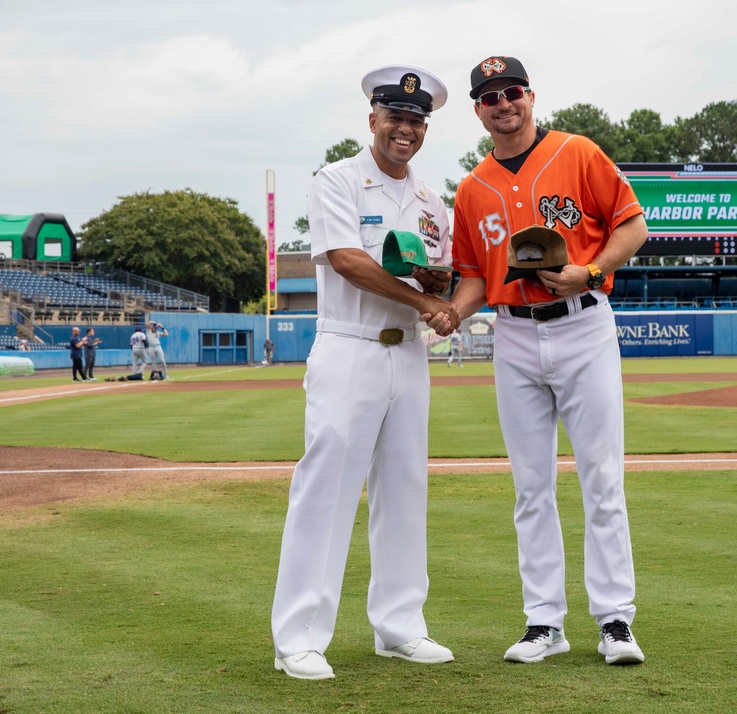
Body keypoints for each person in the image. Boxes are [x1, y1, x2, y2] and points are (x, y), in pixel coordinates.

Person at [430, 56, 649, 666]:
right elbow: (475, 276)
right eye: (489, 96)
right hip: (514, 336)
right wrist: (451, 313)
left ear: (530, 96)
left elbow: (633, 226)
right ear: (477, 110)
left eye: (512, 91)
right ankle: (543, 622)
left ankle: (614, 620)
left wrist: (593, 270)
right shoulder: (473, 189)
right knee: (531, 487)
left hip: (583, 326)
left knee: (601, 477)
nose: (503, 103)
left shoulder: (578, 152)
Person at [271, 63, 459, 681]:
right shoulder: (339, 179)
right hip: (350, 345)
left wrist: (440, 288)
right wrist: (426, 301)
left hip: (408, 351)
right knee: (326, 491)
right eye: (396, 117)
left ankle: (400, 626)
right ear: (372, 119)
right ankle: (298, 637)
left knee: (404, 491)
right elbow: (348, 261)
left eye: (416, 120)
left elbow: (440, 271)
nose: (405, 129)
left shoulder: (433, 203)